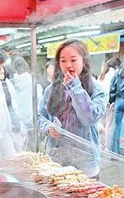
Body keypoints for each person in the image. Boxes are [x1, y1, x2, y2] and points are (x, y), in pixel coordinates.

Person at [38, 39, 107, 178]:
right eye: (63, 61)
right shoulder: (51, 90)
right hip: (56, 163)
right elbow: (40, 116)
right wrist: (48, 128)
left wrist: (75, 86)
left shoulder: (97, 89)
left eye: (73, 60)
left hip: (85, 166)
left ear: (84, 61)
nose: (68, 65)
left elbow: (89, 118)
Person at [0, 64, 24, 152]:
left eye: (2, 74)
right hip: (1, 122)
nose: (1, 76)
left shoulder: (8, 83)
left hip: (13, 118)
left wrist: (19, 119)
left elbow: (14, 103)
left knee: (17, 145)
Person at [98, 57, 120, 150]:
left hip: (101, 102)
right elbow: (114, 89)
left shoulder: (102, 74)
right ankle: (108, 147)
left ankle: (100, 145)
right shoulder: (114, 73)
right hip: (109, 102)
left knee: (101, 124)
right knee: (109, 125)